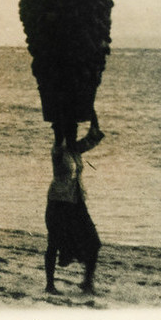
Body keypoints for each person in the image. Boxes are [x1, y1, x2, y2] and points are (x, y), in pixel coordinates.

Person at [44, 111, 104, 295]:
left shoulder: (75, 150)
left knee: (94, 242)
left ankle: (87, 283)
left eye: (74, 132)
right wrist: (61, 124)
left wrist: (92, 114)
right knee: (54, 243)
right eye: (70, 132)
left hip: (77, 202)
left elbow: (93, 137)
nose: (74, 135)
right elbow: (59, 138)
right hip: (59, 203)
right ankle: (50, 285)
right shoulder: (58, 151)